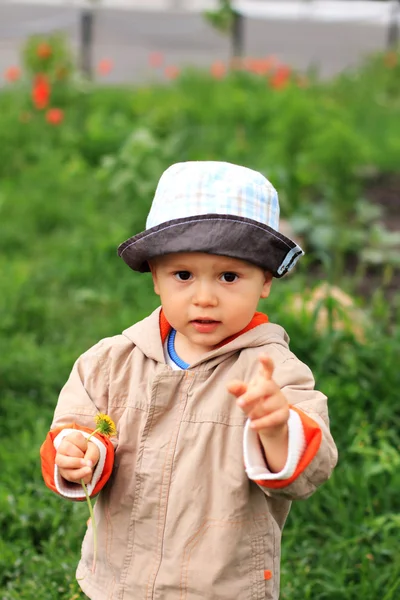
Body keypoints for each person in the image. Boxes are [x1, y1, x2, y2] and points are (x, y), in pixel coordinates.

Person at [40, 161, 338, 600]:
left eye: (229, 276)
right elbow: (75, 427)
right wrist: (78, 451)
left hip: (222, 584)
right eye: (183, 275)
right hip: (119, 580)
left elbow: (310, 470)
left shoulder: (274, 373)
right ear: (156, 277)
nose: (204, 296)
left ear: (266, 281)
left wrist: (277, 429)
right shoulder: (110, 362)